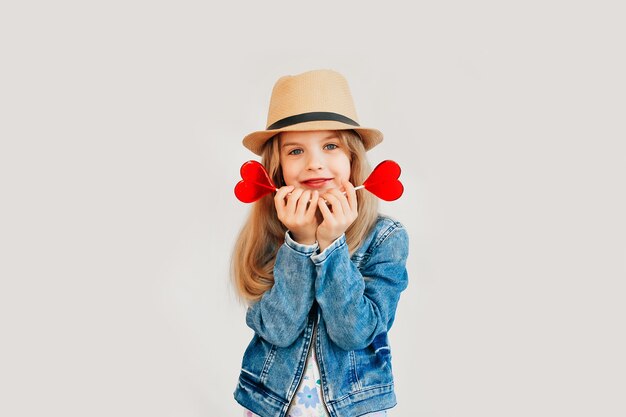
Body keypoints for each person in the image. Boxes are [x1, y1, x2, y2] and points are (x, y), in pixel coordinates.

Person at [231, 69, 409, 417]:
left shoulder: (385, 238)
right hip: (270, 407)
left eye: (330, 146)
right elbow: (278, 331)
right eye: (295, 150)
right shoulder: (270, 234)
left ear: (353, 159)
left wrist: (332, 248)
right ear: (277, 168)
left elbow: (355, 333)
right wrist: (299, 244)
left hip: (355, 409)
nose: (315, 163)